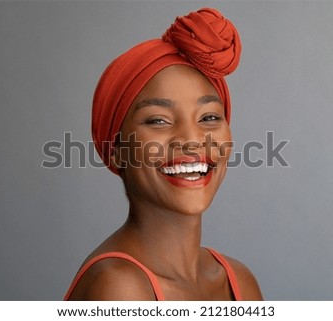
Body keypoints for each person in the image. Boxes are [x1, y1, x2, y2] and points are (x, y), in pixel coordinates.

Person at [64, 7, 262, 301]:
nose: (192, 141)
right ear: (117, 149)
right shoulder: (118, 288)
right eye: (158, 120)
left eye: (209, 118)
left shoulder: (239, 281)